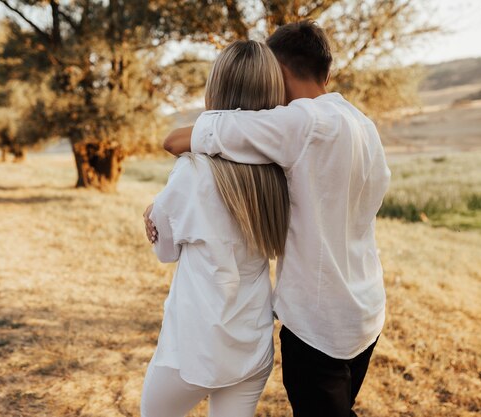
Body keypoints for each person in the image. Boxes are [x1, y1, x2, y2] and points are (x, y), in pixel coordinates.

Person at [155, 21, 391, 417]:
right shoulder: (362, 124)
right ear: (327, 72)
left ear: (277, 72)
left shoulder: (298, 123)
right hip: (367, 310)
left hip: (319, 326)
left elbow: (178, 139)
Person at [140, 40, 291, 417]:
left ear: (215, 89)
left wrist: (154, 213)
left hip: (194, 345)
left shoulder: (192, 171)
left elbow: (166, 250)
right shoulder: (280, 172)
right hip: (252, 344)